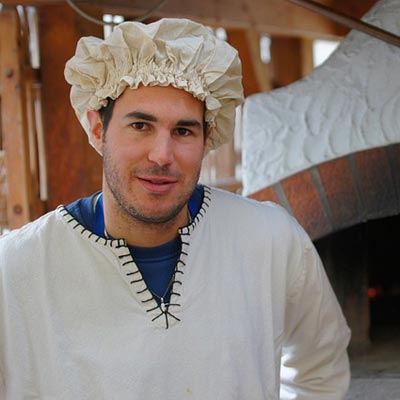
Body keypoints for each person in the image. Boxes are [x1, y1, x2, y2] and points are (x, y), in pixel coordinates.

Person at [0, 18, 351, 400]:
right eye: (140, 126)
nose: (162, 155)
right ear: (98, 130)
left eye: (183, 131)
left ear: (207, 138)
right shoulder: (17, 270)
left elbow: (321, 370)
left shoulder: (270, 240)